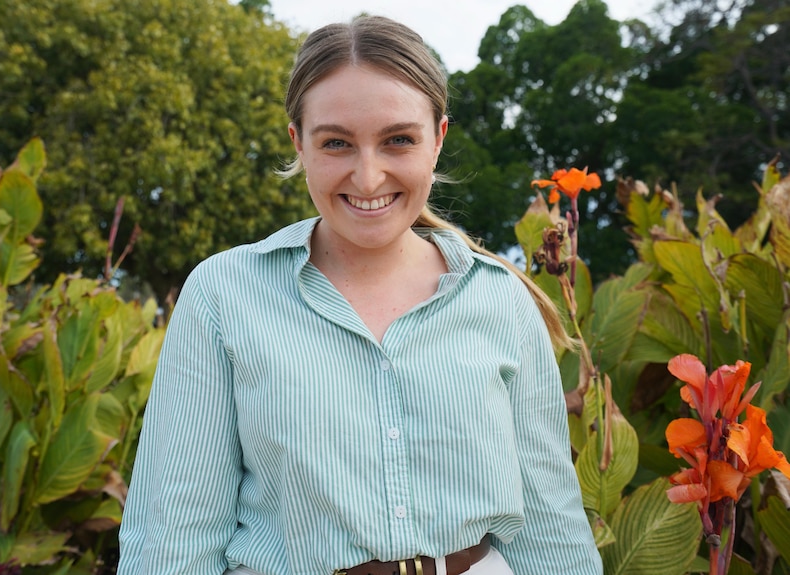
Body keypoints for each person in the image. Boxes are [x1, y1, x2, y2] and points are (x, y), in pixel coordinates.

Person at [117, 14, 602, 575]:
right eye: (337, 143)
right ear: (299, 143)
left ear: (439, 139)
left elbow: (551, 527)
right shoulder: (224, 296)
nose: (368, 178)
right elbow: (176, 529)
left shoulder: (499, 302)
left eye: (398, 139)